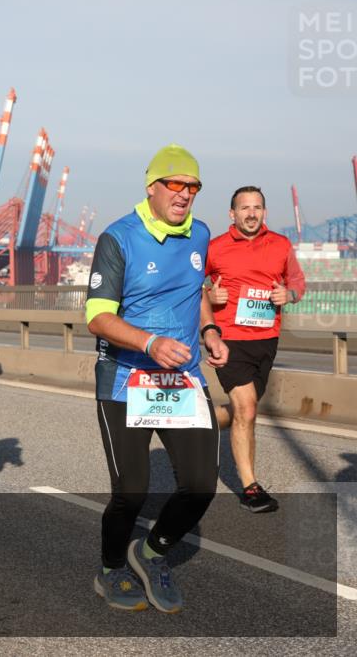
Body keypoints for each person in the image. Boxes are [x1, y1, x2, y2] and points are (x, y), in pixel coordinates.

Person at [85, 144, 228, 613]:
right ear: (153, 187)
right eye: (176, 185)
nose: (185, 194)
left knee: (201, 485)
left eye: (193, 187)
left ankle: (149, 554)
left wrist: (209, 330)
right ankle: (110, 569)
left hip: (182, 378)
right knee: (131, 491)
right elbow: (98, 317)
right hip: (127, 378)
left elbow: (196, 292)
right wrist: (149, 343)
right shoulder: (118, 238)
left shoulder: (200, 234)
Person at [205, 186, 306, 513]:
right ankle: (250, 487)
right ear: (232, 214)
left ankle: (199, 426)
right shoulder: (216, 248)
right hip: (229, 339)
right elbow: (191, 286)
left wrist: (287, 296)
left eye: (257, 207)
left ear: (264, 212)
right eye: (244, 208)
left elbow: (298, 284)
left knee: (240, 411)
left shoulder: (280, 245)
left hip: (266, 340)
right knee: (247, 409)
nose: (251, 213)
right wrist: (210, 295)